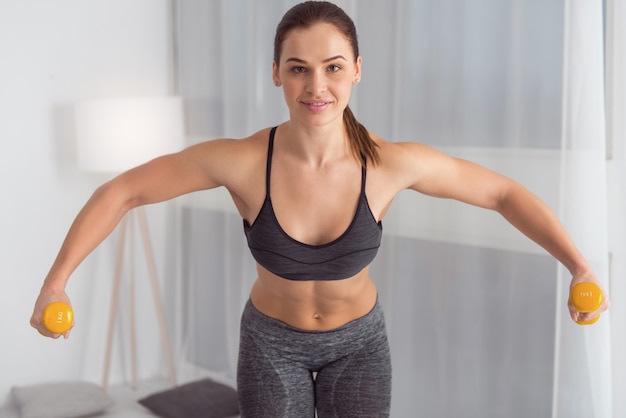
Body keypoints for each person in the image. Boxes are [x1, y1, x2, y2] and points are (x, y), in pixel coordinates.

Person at [31, 1, 610, 417]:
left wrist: (579, 265)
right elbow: (123, 190)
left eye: (334, 66)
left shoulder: (386, 163)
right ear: (276, 74)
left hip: (359, 343)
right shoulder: (238, 162)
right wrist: (56, 283)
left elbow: (502, 193)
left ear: (356, 69)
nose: (318, 85)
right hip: (269, 343)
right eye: (299, 67)